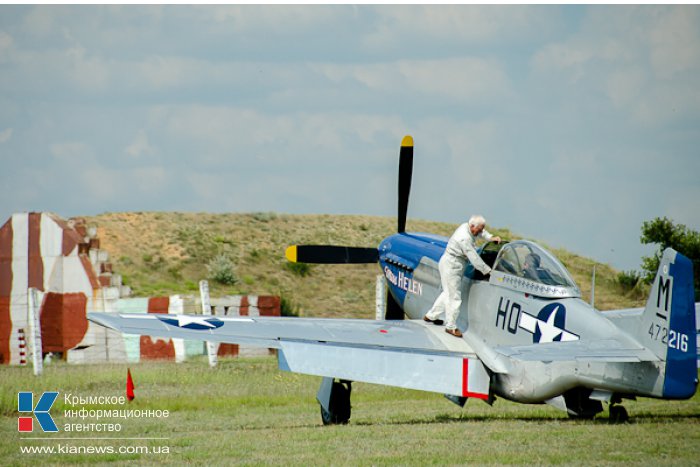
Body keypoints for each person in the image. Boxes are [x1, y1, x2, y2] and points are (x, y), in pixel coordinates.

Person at [423, 215, 501, 337]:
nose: (480, 232)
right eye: (479, 230)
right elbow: (473, 257)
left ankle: (431, 315)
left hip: (453, 262)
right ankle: (451, 326)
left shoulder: (467, 226)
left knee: (448, 292)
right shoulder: (463, 238)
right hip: (452, 265)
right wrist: (488, 271)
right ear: (472, 226)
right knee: (454, 297)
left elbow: (481, 232)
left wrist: (490, 237)